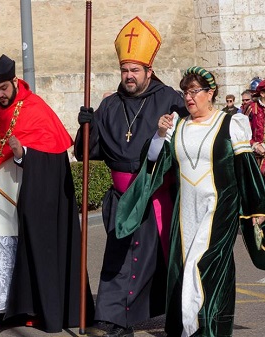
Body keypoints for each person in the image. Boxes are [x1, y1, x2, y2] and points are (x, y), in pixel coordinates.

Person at [0, 54, 90, 333]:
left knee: (23, 252)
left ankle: (27, 308)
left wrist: (23, 154)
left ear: (14, 81)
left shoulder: (36, 109)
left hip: (26, 194)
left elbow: (52, 161)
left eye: (3, 89)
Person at [116, 66, 265, 337]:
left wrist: (258, 208)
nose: (189, 97)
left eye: (195, 91)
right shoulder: (178, 125)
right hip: (185, 212)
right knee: (184, 269)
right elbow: (153, 162)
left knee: (204, 265)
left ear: (211, 94)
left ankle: (207, 328)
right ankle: (189, 327)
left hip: (219, 208)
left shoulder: (230, 124)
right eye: (185, 91)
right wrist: (160, 135)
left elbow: (246, 169)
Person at [74, 17, 187, 337]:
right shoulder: (109, 104)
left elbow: (182, 147)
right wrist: (87, 125)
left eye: (135, 70)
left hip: (153, 196)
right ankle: (114, 319)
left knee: (152, 261)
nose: (129, 76)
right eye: (125, 70)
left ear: (149, 72)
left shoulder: (170, 100)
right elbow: (85, 153)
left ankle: (135, 318)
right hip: (119, 197)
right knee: (119, 258)